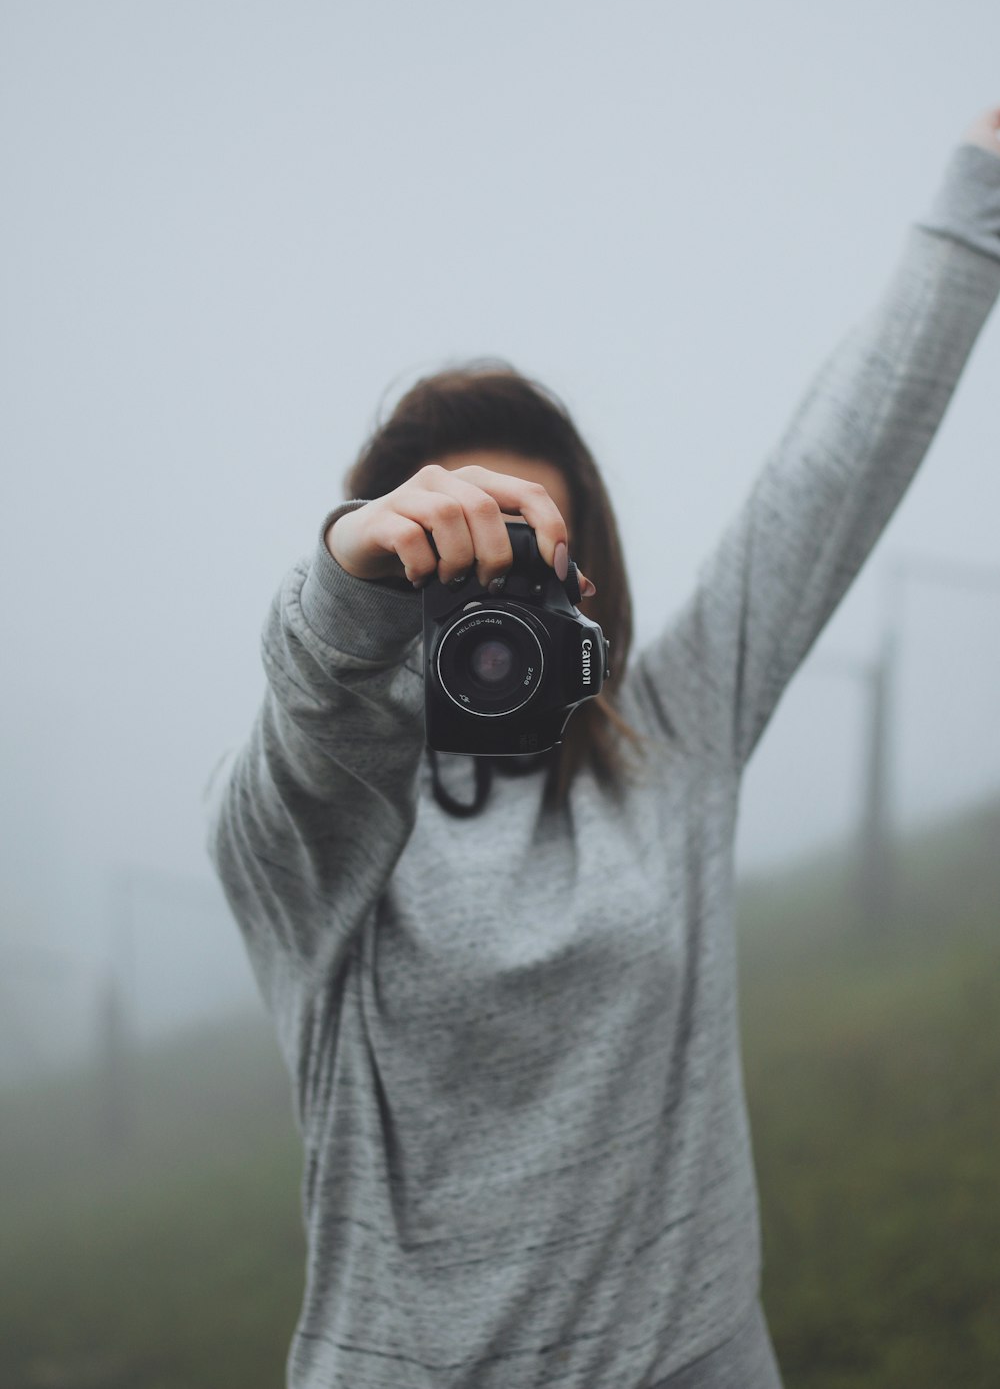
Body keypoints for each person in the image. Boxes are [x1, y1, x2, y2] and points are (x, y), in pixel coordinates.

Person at [203, 107, 1000, 1389]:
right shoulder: (318, 832)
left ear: (590, 582)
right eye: (450, 553)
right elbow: (309, 718)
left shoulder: (669, 744)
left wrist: (981, 186)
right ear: (386, 571)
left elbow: (832, 468)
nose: (492, 600)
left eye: (531, 552)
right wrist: (346, 572)